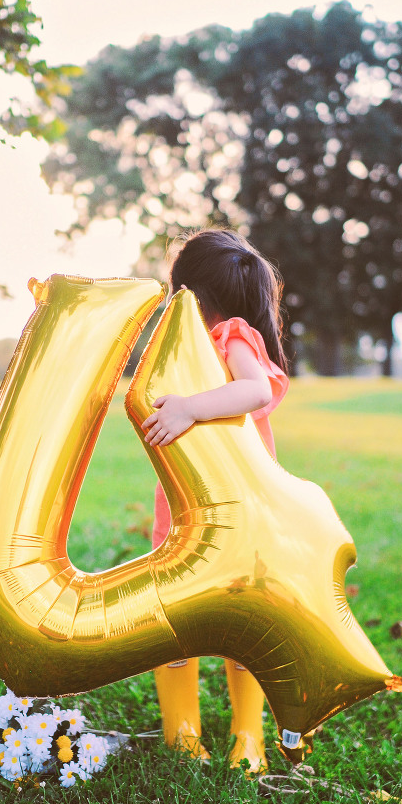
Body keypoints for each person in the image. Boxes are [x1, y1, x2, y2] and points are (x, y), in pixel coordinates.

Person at [141, 228, 289, 774]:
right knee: (177, 616)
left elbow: (254, 391)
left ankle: (247, 738)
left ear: (193, 295)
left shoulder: (232, 334)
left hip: (235, 512)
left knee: (239, 621)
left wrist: (190, 408)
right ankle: (182, 732)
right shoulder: (191, 344)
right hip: (183, 506)